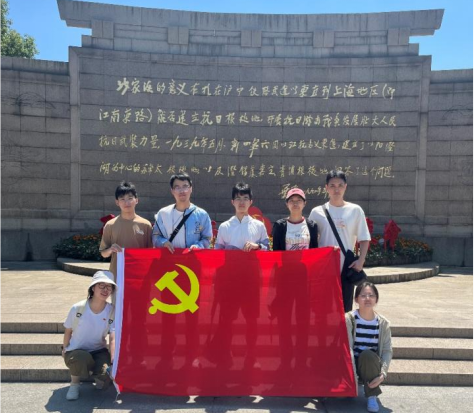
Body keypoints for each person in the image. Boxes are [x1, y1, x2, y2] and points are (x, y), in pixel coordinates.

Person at [309, 170, 371, 312]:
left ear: (345, 187)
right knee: (322, 307)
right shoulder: (317, 212)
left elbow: (364, 238)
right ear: (326, 188)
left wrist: (360, 261)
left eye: (340, 185)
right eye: (332, 186)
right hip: (324, 267)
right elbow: (311, 241)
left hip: (346, 266)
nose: (336, 189)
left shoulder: (355, 210)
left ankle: (344, 328)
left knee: (345, 308)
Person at [271, 187, 318, 370]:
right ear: (287, 204)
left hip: (304, 280)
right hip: (285, 279)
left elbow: (315, 253)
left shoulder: (311, 226)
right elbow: (276, 254)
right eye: (292, 200)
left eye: (299, 200)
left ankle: (301, 360)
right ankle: (285, 359)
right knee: (284, 321)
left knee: (302, 321)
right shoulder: (280, 225)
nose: (295, 203)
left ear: (304, 203)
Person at [62, 271, 117, 401]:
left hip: (99, 350)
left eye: (109, 287)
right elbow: (68, 330)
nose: (105, 289)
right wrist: (64, 348)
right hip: (76, 350)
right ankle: (74, 384)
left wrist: (113, 360)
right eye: (101, 285)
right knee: (80, 357)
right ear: (93, 288)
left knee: (106, 374)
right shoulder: (78, 308)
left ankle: (97, 373)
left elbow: (112, 337)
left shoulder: (112, 310)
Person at [346, 282, 392, 413]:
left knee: (367, 354)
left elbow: (387, 351)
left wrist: (383, 374)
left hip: (370, 364)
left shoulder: (383, 323)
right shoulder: (349, 319)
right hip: (350, 365)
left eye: (371, 295)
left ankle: (372, 396)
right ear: (356, 299)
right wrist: (353, 377)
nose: (367, 298)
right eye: (363, 295)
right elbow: (348, 349)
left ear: (376, 299)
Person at [99, 181, 153, 280]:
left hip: (140, 276)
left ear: (136, 200)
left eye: (130, 198)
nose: (126, 202)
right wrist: (111, 249)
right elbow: (103, 253)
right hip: (117, 276)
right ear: (117, 202)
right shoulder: (110, 225)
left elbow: (151, 253)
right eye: (122, 199)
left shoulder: (145, 225)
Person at [152, 173, 212, 251]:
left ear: (191, 189)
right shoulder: (163, 214)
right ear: (172, 191)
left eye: (185, 186)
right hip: (170, 257)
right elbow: (155, 236)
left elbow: (207, 238)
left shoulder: (202, 215)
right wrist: (163, 242)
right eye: (177, 187)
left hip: (192, 257)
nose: (182, 191)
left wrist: (198, 246)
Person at [215, 182, 269, 251]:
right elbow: (218, 252)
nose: (242, 202)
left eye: (245, 198)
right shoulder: (224, 227)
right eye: (238, 198)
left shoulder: (259, 226)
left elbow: (267, 248)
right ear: (232, 202)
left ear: (250, 202)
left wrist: (258, 246)